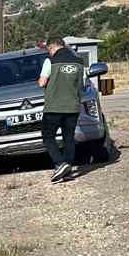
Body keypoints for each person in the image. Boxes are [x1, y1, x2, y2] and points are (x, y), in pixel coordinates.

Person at [38, 35, 85, 182]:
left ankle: (60, 163)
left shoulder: (50, 61)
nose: (49, 53)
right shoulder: (79, 62)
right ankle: (68, 169)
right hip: (73, 107)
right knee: (69, 138)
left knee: (48, 136)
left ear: (52, 47)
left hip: (54, 107)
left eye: (48, 50)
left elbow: (42, 82)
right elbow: (82, 84)